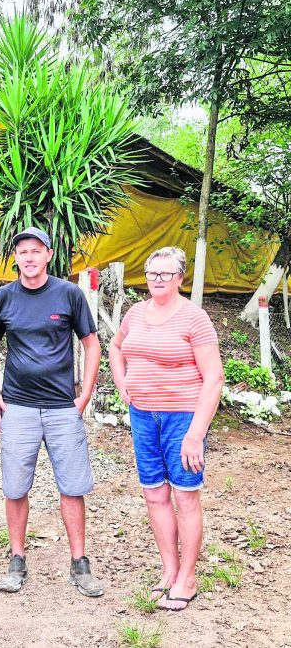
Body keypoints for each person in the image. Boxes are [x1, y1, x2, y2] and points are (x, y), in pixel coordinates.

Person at [0, 227, 103, 597]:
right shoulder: (3, 299)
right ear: (15, 258)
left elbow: (91, 343)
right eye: (22, 252)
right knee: (15, 488)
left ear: (49, 254)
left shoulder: (68, 294)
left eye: (36, 250)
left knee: (72, 486)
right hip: (17, 407)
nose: (29, 257)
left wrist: (84, 395)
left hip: (63, 409)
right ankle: (17, 559)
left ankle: (79, 563)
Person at [109, 246, 223, 611]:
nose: (157, 280)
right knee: (155, 494)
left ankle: (187, 577)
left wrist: (196, 434)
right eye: (152, 274)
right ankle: (169, 571)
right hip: (143, 416)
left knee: (185, 495)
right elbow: (115, 345)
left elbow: (214, 378)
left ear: (180, 278)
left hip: (182, 418)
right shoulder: (136, 313)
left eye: (165, 274)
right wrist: (121, 380)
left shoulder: (195, 318)